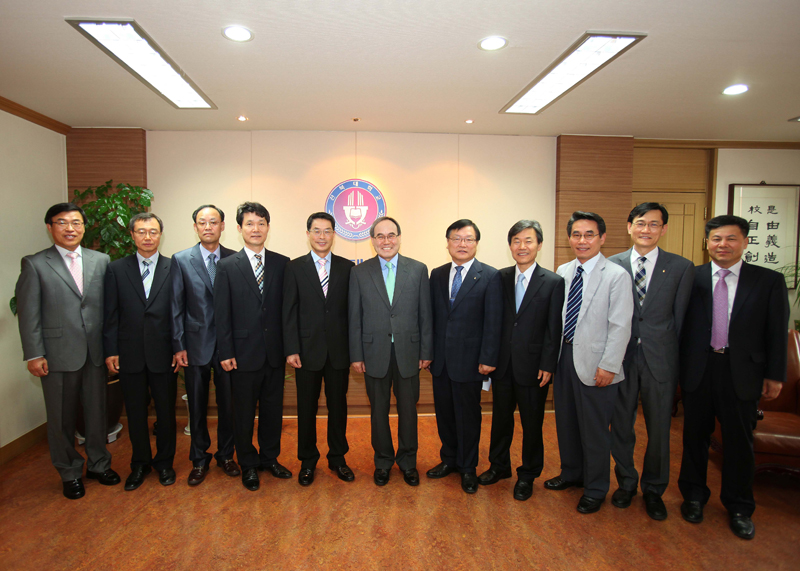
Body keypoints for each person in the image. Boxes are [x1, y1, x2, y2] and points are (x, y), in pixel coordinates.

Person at [678, 215, 788, 540]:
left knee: (739, 442)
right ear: (707, 243)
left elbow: (776, 332)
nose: (722, 245)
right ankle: (693, 496)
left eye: (730, 238)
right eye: (716, 239)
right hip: (699, 369)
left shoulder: (767, 281)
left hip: (742, 372)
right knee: (694, 438)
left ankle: (739, 507)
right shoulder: (691, 277)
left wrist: (775, 375)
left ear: (745, 242)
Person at [15, 203, 120, 499]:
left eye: (76, 223)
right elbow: (28, 313)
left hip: (95, 353)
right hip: (56, 354)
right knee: (61, 418)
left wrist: (111, 349)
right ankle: (69, 471)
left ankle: (99, 464)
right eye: (62, 222)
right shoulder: (35, 264)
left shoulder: (101, 260)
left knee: (97, 413)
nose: (70, 228)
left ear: (84, 227)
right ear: (50, 227)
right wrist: (34, 354)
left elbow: (108, 309)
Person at [608, 203, 693, 520]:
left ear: (664, 229)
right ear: (629, 226)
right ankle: (626, 482)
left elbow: (681, 320)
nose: (647, 230)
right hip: (622, 357)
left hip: (661, 359)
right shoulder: (612, 264)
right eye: (641, 223)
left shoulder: (681, 267)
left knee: (659, 429)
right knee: (621, 425)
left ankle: (654, 489)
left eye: (654, 224)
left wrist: (677, 363)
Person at [545, 211, 633, 514]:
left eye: (589, 234)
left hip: (598, 364)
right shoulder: (564, 270)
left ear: (602, 238)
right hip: (565, 358)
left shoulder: (616, 275)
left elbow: (621, 326)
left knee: (595, 430)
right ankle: (572, 473)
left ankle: (596, 488)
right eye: (576, 235)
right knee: (566, 422)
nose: (582, 240)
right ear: (569, 238)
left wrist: (609, 365)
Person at [479, 220, 564, 501]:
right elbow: (492, 321)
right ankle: (499, 466)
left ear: (539, 245)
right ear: (510, 246)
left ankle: (528, 474)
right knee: (501, 420)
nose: (522, 246)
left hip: (534, 367)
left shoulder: (553, 282)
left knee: (532, 423)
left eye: (528, 240)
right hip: (503, 365)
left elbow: (554, 328)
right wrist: (489, 357)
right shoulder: (499, 278)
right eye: (516, 241)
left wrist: (548, 364)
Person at [349, 216, 433, 487]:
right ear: (372, 240)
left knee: (409, 411)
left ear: (399, 237)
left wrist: (426, 350)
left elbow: (425, 315)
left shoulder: (418, 269)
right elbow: (354, 317)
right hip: (374, 353)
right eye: (380, 236)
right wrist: (356, 355)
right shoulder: (359, 272)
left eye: (391, 235)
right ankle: (383, 461)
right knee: (378, 412)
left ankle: (408, 462)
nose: (386, 241)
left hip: (409, 353)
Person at [214, 202, 290, 491]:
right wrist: (226, 351)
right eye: (249, 223)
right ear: (239, 228)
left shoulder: (283, 263)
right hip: (241, 354)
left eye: (261, 223)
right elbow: (221, 313)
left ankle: (270, 459)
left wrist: (289, 348)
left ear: (268, 227)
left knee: (272, 412)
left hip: (274, 353)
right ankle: (248, 463)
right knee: (243, 414)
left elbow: (287, 311)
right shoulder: (226, 266)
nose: (255, 229)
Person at [104, 213, 179, 490]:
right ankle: (139, 464)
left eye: (153, 231)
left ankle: (165, 463)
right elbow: (110, 314)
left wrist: (179, 348)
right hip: (130, 354)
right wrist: (111, 350)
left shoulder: (175, 267)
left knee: (166, 413)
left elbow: (180, 312)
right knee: (135, 413)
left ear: (161, 234)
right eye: (141, 231)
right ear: (132, 235)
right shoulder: (116, 269)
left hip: (165, 354)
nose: (148, 237)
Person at [426, 219, 502, 494]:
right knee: (444, 413)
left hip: (471, 362)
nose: (462, 244)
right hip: (441, 361)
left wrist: (488, 357)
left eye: (468, 239)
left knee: (468, 416)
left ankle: (468, 467)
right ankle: (449, 459)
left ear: (476, 243)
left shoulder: (490, 276)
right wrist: (428, 353)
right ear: (447, 243)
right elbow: (432, 317)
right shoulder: (437, 274)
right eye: (456, 238)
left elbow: (494, 321)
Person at [283, 212, 355, 486]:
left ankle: (338, 458)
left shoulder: (347, 268)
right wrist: (291, 348)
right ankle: (307, 461)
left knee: (338, 408)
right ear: (308, 234)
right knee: (306, 408)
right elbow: (288, 311)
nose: (322, 236)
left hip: (338, 352)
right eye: (316, 230)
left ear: (334, 234)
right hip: (306, 351)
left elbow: (352, 312)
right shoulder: (294, 267)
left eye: (327, 231)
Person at [171, 205, 239, 486]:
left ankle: (226, 455)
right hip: (195, 345)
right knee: (197, 407)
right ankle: (199, 459)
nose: (208, 227)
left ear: (222, 226)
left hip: (227, 347)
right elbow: (176, 306)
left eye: (214, 221)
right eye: (202, 222)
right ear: (195, 227)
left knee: (228, 406)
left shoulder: (235, 258)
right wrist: (178, 345)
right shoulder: (181, 260)